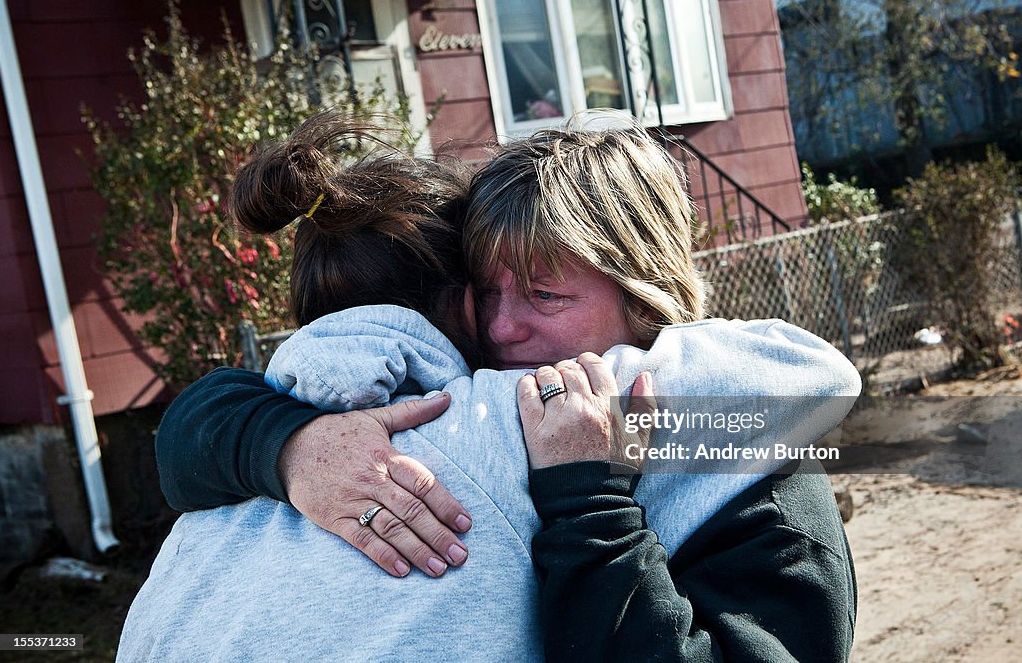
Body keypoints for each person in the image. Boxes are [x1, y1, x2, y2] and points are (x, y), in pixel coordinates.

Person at [131, 113, 860, 660]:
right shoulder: (469, 418)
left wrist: (590, 503)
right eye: (486, 291)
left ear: (645, 298)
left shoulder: (753, 480)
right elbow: (186, 436)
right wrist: (289, 445)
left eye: (545, 295)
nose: (501, 331)